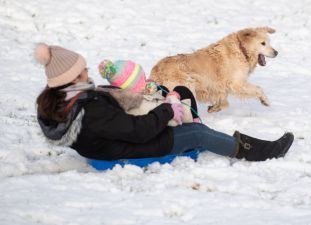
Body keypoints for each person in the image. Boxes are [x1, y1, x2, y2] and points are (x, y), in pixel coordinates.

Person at [35, 43, 294, 162]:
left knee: (180, 89)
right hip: (125, 148)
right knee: (197, 133)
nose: (87, 73)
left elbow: (118, 111)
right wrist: (166, 109)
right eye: (82, 71)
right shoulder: (89, 110)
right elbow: (138, 132)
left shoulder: (68, 97)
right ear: (70, 79)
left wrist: (149, 94)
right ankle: (260, 151)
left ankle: (189, 122)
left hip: (120, 135)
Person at [98, 59, 200, 125]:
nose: (145, 79)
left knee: (161, 87)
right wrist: (173, 98)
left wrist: (150, 87)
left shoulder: (123, 96)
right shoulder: (142, 105)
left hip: (156, 107)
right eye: (142, 78)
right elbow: (162, 112)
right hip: (177, 117)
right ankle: (195, 123)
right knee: (182, 90)